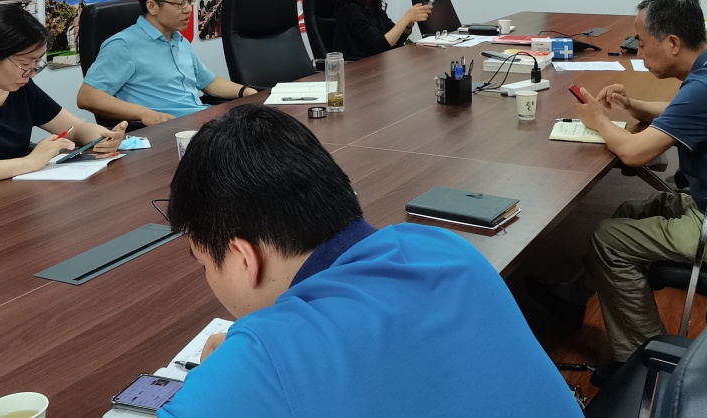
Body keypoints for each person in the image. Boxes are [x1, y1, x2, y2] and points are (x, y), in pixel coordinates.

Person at [157, 105, 581, 418]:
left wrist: (235, 375)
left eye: (204, 264)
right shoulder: (444, 247)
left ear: (243, 257)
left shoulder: (264, 360)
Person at [526, 0, 707, 380]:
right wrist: (630, 105)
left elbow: (634, 153)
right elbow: (676, 111)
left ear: (673, 43)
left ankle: (642, 364)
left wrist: (598, 121)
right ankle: (573, 298)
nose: (638, 51)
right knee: (631, 210)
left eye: (642, 43)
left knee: (609, 239)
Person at [0, 5, 127, 191]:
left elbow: (76, 129)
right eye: (25, 64)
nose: (31, 74)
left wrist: (103, 137)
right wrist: (29, 162)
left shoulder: (20, 88)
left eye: (36, 64)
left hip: (14, 193)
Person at [77, 0, 257, 125]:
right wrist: (145, 114)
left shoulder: (178, 39)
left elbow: (209, 82)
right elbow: (87, 97)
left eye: (189, 0)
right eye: (180, 3)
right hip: (170, 131)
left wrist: (247, 92)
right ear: (152, 6)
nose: (188, 9)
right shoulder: (123, 45)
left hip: (202, 122)